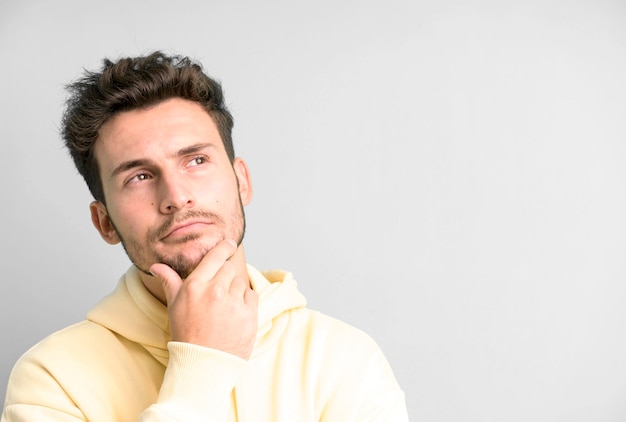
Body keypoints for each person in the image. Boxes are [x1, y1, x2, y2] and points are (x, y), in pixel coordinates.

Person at [1, 51, 408, 421]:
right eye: (139, 176)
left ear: (241, 181)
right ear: (104, 222)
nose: (177, 197)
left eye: (196, 160)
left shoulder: (345, 358)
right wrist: (200, 373)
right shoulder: (51, 380)